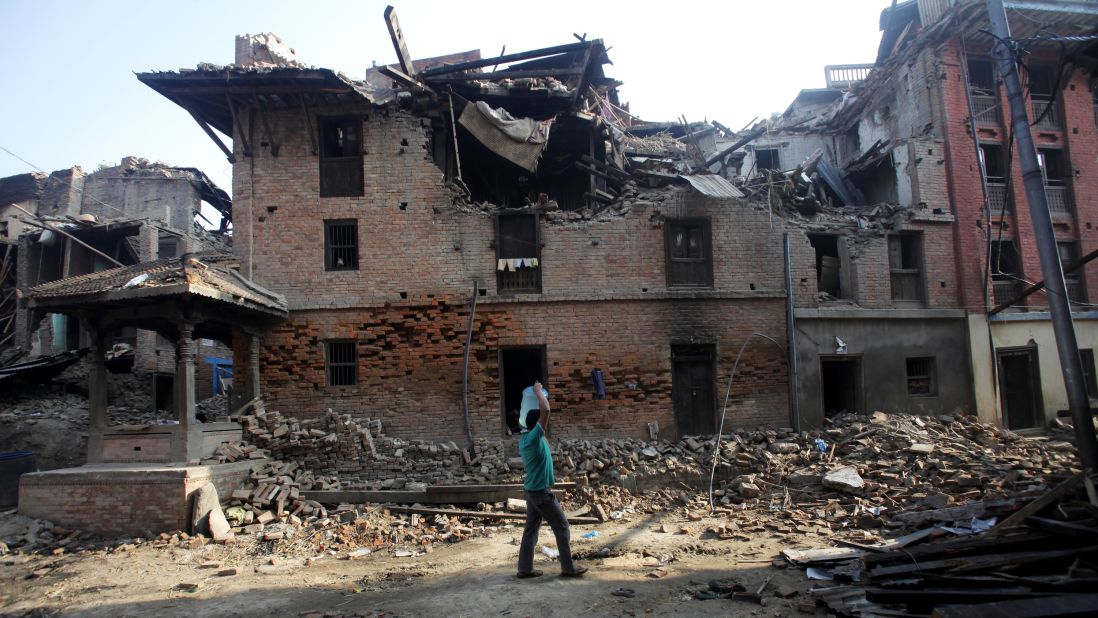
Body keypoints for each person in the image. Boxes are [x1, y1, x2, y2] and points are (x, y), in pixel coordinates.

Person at [516, 381, 587, 579]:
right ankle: (568, 567)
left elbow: (536, 418)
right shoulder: (534, 438)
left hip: (531, 492)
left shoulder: (525, 439)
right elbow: (545, 410)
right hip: (540, 493)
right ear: (537, 425)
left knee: (530, 529)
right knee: (562, 526)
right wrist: (538, 391)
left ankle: (525, 568)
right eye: (541, 423)